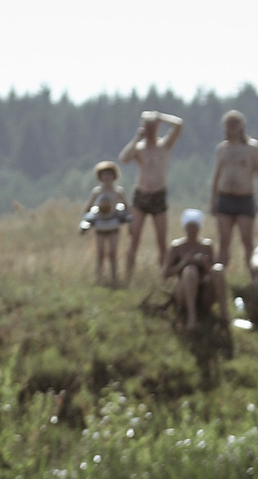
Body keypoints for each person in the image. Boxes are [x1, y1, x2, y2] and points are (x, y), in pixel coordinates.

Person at [208, 111, 258, 312]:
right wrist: (213, 201)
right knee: (223, 242)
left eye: (235, 122)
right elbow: (216, 176)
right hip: (225, 198)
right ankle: (218, 283)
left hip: (245, 198)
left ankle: (255, 281)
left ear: (242, 125)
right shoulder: (222, 149)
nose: (232, 126)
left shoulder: (253, 148)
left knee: (247, 242)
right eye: (229, 123)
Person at [118, 110, 183, 272]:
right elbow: (124, 158)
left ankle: (164, 274)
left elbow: (178, 125)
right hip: (141, 195)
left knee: (162, 240)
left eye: (152, 127)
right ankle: (128, 275)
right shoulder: (139, 148)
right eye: (147, 126)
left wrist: (159, 117)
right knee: (134, 238)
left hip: (159, 195)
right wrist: (137, 137)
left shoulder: (164, 145)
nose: (150, 130)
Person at [163, 208, 223, 330]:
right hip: (184, 292)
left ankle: (224, 313)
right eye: (189, 227)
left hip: (203, 291)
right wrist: (183, 263)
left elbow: (215, 274)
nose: (192, 230)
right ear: (185, 227)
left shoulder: (207, 246)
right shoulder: (177, 247)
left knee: (219, 269)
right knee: (190, 271)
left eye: (194, 227)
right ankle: (192, 316)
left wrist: (206, 265)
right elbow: (165, 273)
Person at [80, 161, 129, 285]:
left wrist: (124, 216)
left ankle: (114, 278)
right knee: (100, 253)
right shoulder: (97, 192)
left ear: (114, 176)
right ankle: (99, 279)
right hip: (100, 225)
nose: (107, 177)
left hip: (113, 224)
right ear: (100, 177)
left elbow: (128, 208)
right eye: (104, 174)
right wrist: (88, 220)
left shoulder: (118, 192)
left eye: (109, 174)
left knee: (113, 253)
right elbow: (87, 208)